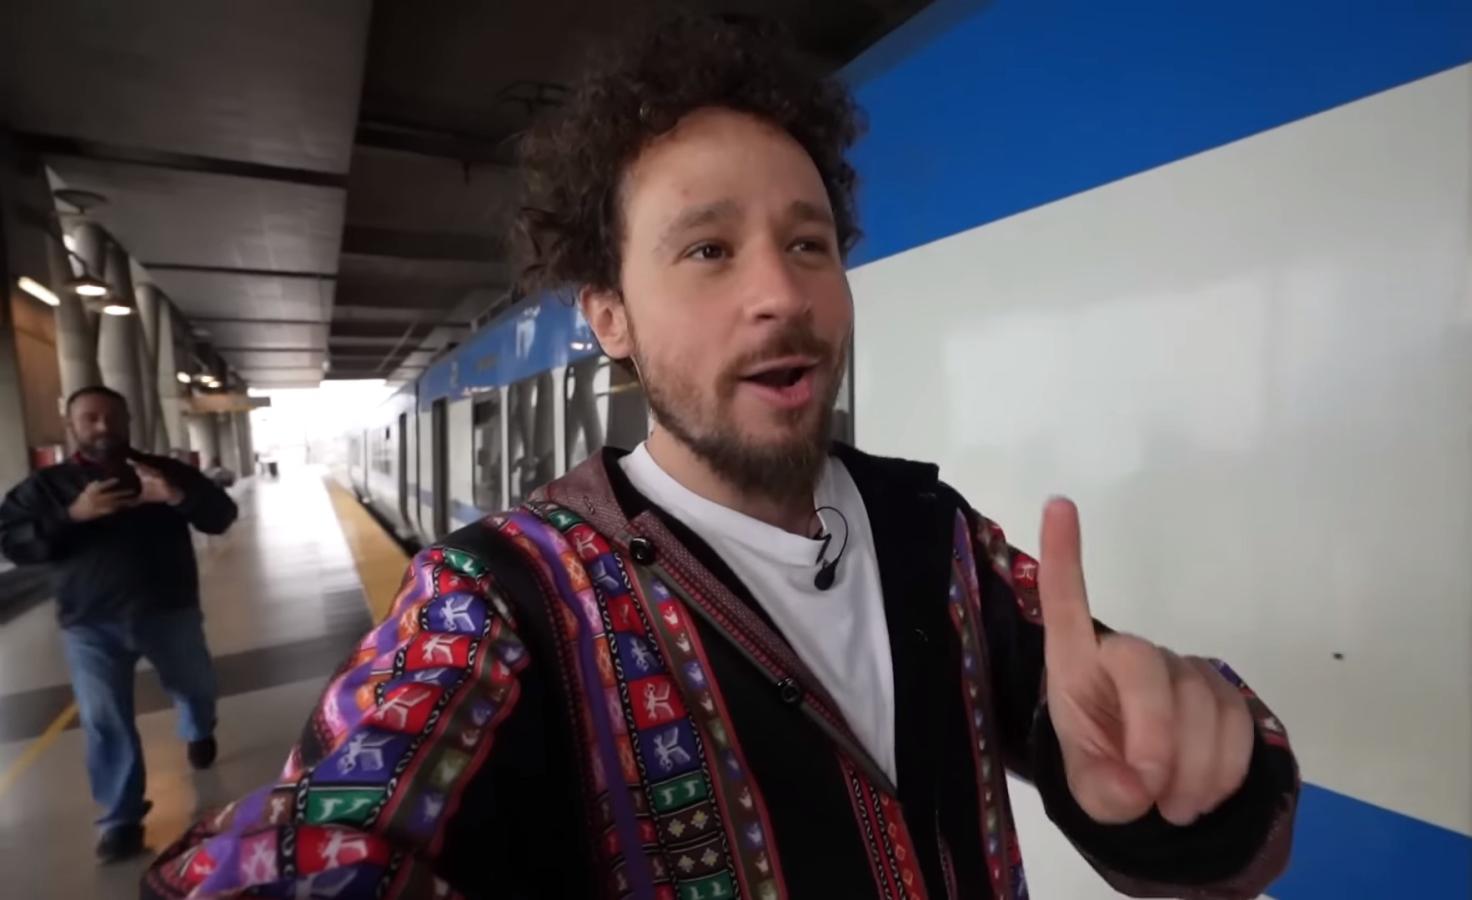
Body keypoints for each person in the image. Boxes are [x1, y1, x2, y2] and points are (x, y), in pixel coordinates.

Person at [144, 18, 1298, 899]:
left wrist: (1184, 778)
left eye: (809, 243)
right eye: (707, 249)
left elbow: (1158, 764)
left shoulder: (935, 536)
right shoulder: (500, 602)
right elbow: (310, 847)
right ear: (609, 316)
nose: (779, 293)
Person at [0, 385, 237, 863]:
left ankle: (198, 728)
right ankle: (120, 820)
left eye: (112, 416)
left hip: (169, 610)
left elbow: (221, 516)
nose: (103, 426)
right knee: (105, 720)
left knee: (196, 687)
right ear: (71, 426)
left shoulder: (165, 472)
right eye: (90, 418)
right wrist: (73, 514)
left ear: (128, 421)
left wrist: (177, 497)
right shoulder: (46, 488)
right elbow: (12, 542)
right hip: (88, 623)